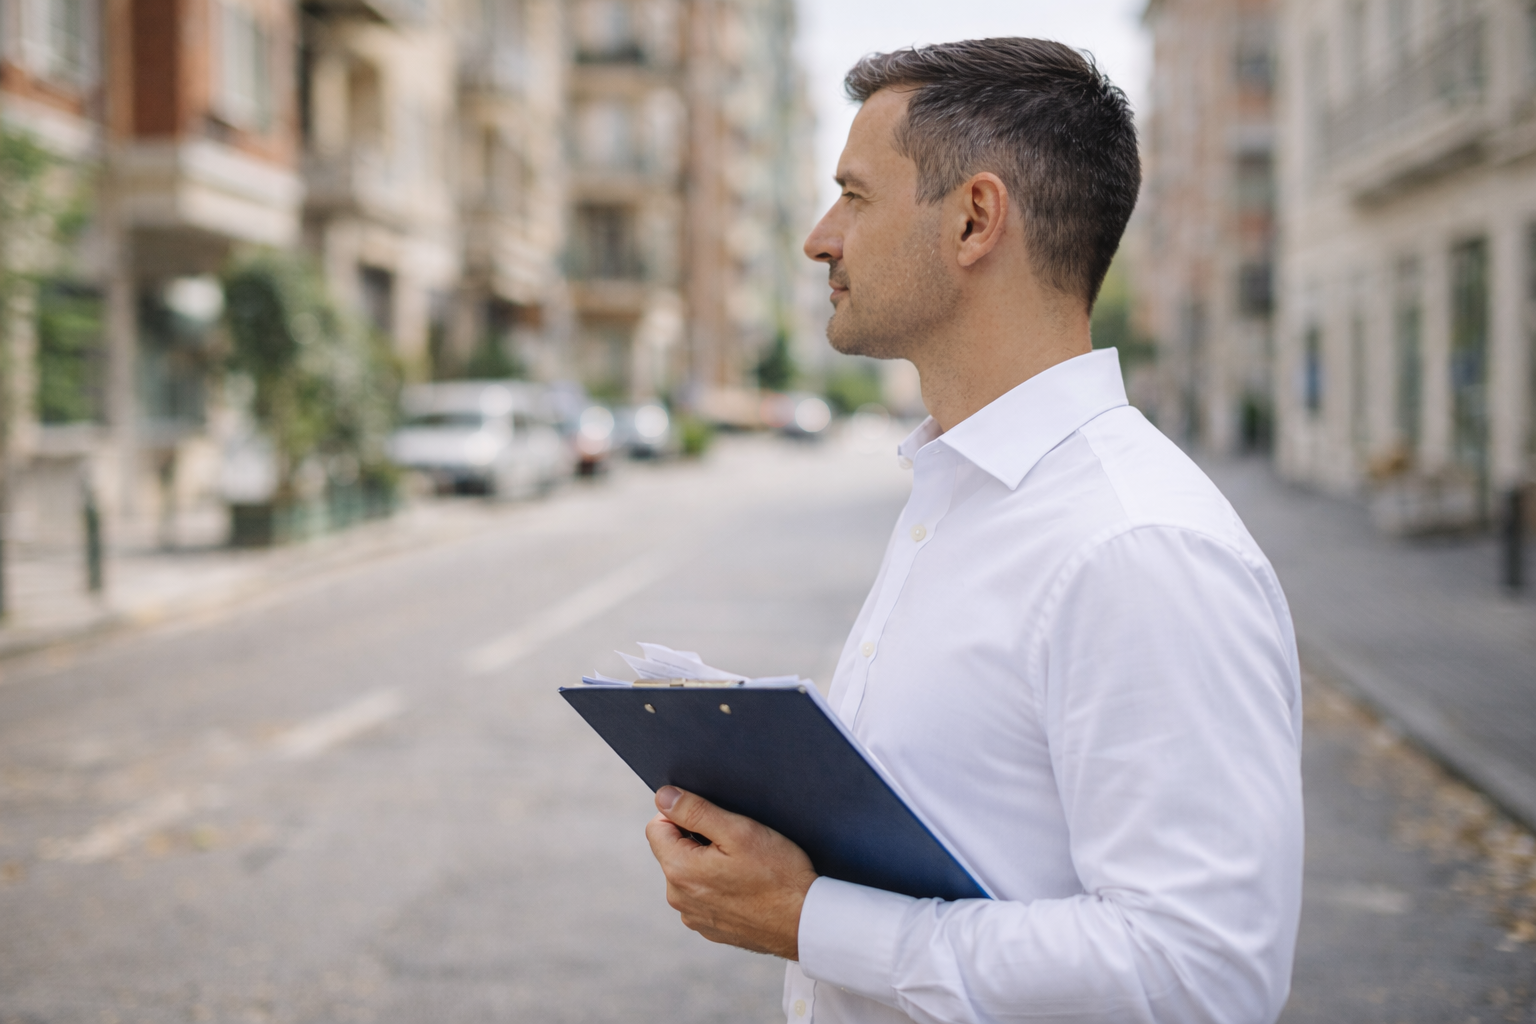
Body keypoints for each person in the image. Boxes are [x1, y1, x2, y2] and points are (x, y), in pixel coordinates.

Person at [645, 37, 1303, 1024]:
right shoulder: (956, 494)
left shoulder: (1135, 545)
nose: (821, 237)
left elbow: (1200, 972)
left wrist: (812, 918)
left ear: (974, 219)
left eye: (856, 197)